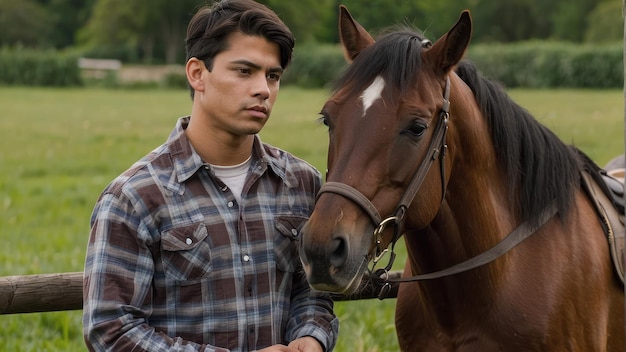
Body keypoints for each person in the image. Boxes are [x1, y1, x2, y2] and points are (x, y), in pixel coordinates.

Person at [82, 0, 338, 351]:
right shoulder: (135, 197)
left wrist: (312, 335)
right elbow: (110, 331)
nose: (263, 89)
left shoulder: (301, 184)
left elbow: (312, 294)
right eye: (244, 71)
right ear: (197, 74)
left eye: (273, 75)